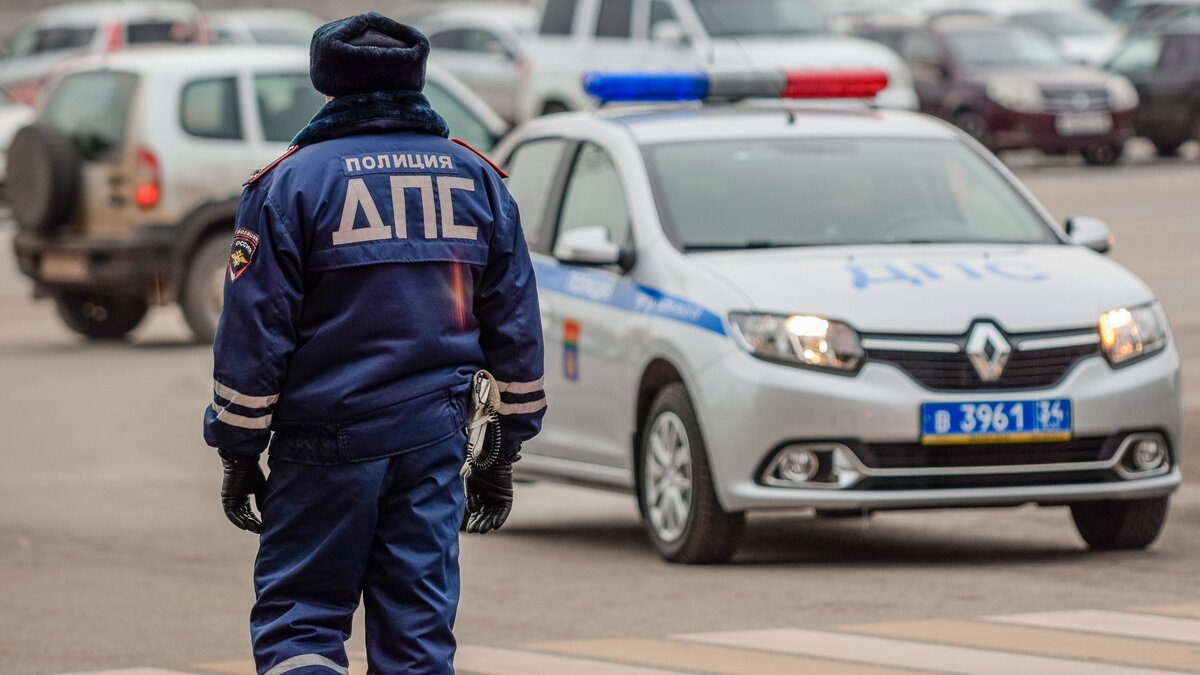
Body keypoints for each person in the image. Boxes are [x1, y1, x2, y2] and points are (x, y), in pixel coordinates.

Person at [202, 13, 545, 674]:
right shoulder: (476, 180)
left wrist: (238, 449)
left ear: (326, 82)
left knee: (301, 616)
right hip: (431, 441)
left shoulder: (288, 185)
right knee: (417, 634)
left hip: (322, 443)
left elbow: (253, 334)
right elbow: (515, 325)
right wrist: (507, 446)